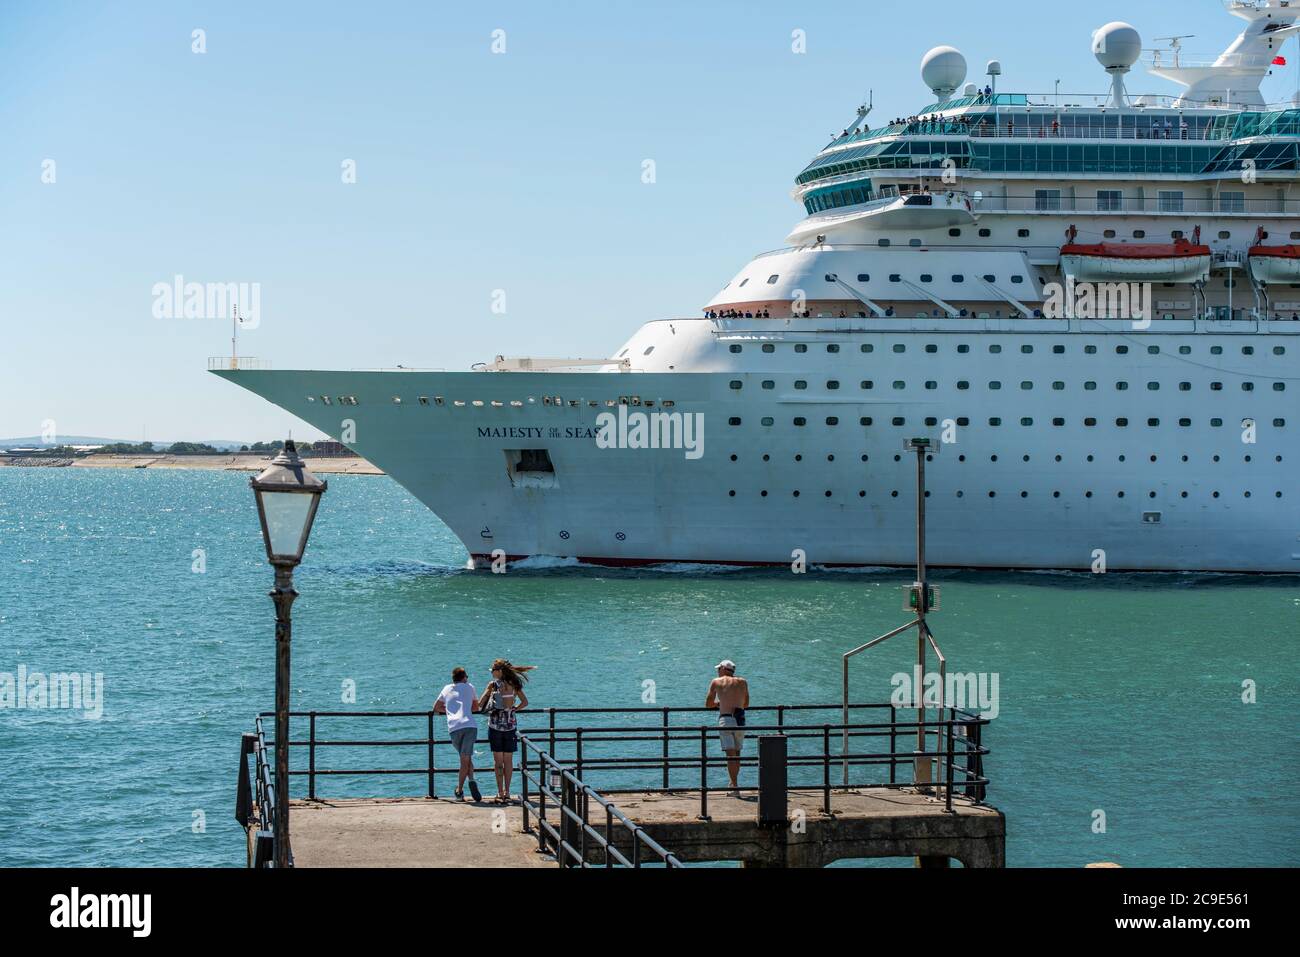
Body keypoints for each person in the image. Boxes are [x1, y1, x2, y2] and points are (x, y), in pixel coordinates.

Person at [478, 659, 533, 804]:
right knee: (508, 761)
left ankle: (500, 792)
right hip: (510, 725)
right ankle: (508, 792)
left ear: (499, 671)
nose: (491, 673)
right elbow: (525, 702)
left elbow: (479, 704)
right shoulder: (514, 684)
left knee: (498, 762)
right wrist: (514, 709)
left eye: (492, 670)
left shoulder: (492, 685)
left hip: (495, 726)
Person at [434, 667, 482, 802]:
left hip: (454, 728)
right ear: (464, 677)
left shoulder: (446, 688)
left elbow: (436, 707)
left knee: (465, 759)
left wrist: (449, 711)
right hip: (469, 726)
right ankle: (467, 784)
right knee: (465, 759)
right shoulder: (470, 687)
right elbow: (475, 708)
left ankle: (461, 789)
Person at [705, 660, 750, 795]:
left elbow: (708, 703)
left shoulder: (717, 681)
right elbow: (746, 703)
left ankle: (735, 787)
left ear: (724, 669)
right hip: (740, 718)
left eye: (719, 669)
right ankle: (733, 783)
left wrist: (719, 704)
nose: (717, 671)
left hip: (726, 719)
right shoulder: (743, 682)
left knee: (730, 755)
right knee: (737, 754)